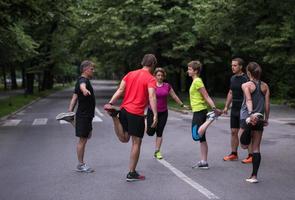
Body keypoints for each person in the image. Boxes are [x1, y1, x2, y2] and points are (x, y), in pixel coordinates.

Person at [104, 54, 158, 182]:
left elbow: (121, 89)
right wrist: (155, 114)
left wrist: (110, 103)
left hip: (124, 110)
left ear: (142, 62)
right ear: (153, 65)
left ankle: (115, 117)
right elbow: (152, 97)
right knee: (136, 143)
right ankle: (132, 173)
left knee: (124, 139)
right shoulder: (151, 79)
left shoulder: (130, 74)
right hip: (136, 113)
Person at [146, 67, 188, 160]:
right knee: (150, 132)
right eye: (158, 75)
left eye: (161, 75)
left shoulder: (167, 86)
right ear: (155, 76)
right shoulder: (151, 85)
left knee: (159, 132)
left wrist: (182, 105)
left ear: (164, 76)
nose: (160, 77)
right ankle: (145, 122)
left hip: (163, 112)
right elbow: (147, 96)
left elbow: (174, 96)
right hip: (152, 111)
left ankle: (157, 151)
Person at [239, 62, 270, 183]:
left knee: (243, 145)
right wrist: (266, 118)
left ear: (248, 73)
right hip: (260, 117)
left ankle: (248, 129)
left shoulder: (246, 85)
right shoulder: (265, 86)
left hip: (248, 117)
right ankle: (254, 176)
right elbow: (267, 104)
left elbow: (248, 100)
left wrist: (250, 114)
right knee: (256, 148)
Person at [187, 60, 222, 169]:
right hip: (197, 110)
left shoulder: (197, 81)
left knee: (196, 135)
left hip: (200, 111)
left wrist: (214, 109)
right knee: (202, 139)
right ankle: (204, 162)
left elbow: (206, 96)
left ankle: (211, 118)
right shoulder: (195, 81)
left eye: (189, 69)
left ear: (195, 71)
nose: (188, 71)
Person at [67, 60, 96, 173]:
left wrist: (70, 111)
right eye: (91, 69)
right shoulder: (83, 80)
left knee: (87, 135)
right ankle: (80, 165)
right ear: (85, 69)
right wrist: (84, 90)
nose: (93, 71)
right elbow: (82, 86)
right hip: (84, 115)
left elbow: (74, 97)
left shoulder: (80, 80)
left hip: (86, 115)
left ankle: (71, 120)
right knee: (83, 139)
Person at [223, 58, 253, 163]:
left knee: (245, 132)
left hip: (243, 108)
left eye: (235, 65)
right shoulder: (232, 78)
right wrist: (226, 106)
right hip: (234, 108)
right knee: (233, 131)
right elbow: (231, 92)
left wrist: (250, 109)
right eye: (232, 65)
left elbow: (250, 94)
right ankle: (234, 154)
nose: (232, 67)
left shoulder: (246, 79)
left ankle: (251, 155)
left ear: (241, 66)